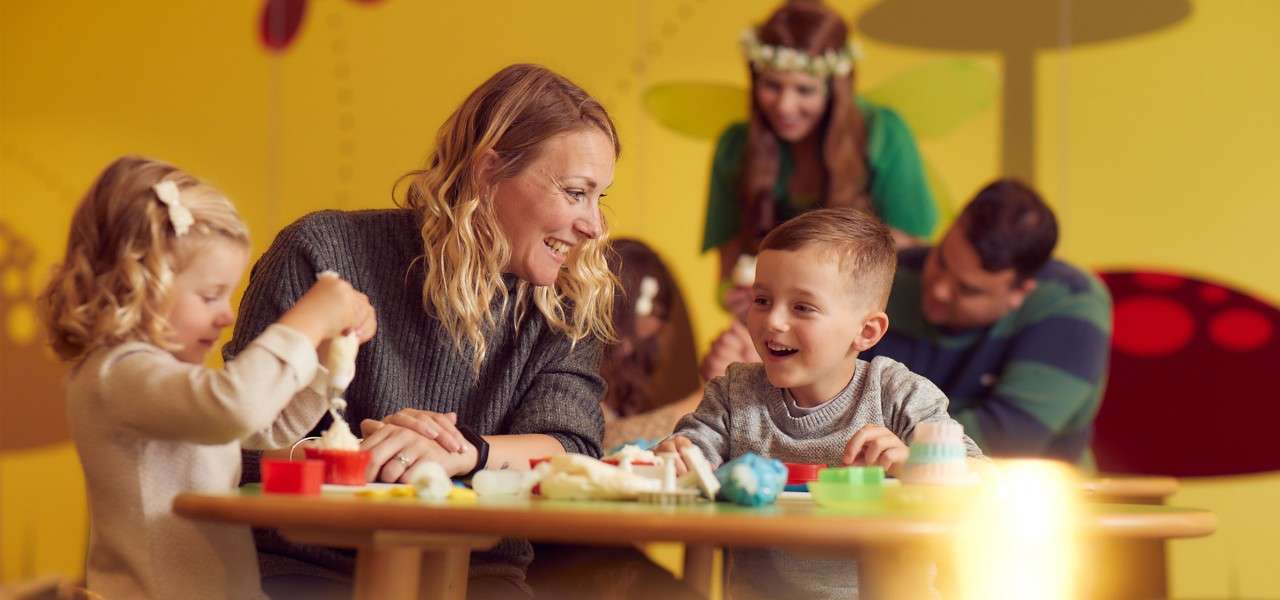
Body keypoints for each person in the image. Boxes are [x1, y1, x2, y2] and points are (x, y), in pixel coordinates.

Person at [226, 64, 620, 597]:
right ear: (489, 172)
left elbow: (573, 450)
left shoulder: (569, 301)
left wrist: (465, 452)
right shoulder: (321, 254)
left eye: (600, 198)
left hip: (478, 577)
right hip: (302, 569)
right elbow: (241, 446)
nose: (594, 225)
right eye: (575, 192)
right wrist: (363, 455)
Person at [36, 156, 375, 600]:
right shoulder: (118, 373)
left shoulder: (164, 381)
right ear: (140, 283)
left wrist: (323, 362)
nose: (227, 316)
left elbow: (267, 426)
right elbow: (234, 406)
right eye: (210, 295)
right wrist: (305, 322)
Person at [659, 207, 982, 599]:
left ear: (866, 332)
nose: (773, 321)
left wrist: (912, 463)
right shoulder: (733, 393)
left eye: (802, 307)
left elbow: (983, 483)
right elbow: (691, 458)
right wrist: (679, 456)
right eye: (762, 300)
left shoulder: (900, 395)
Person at [702, 180, 1112, 465]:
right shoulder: (897, 274)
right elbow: (830, 379)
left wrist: (900, 448)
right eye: (942, 261)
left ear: (1019, 292)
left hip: (1025, 501)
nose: (939, 290)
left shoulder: (1072, 310)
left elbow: (1008, 442)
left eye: (968, 290)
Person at [704, 0, 938, 317]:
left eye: (804, 90)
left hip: (861, 325)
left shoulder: (883, 135)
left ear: (834, 90)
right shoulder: (736, 147)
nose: (785, 106)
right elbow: (729, 269)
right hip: (775, 324)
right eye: (772, 85)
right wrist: (736, 295)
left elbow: (906, 257)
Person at [600, 238, 701, 449]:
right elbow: (604, 438)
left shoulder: (629, 375)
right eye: (647, 306)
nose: (656, 320)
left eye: (660, 311)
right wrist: (704, 399)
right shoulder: (571, 356)